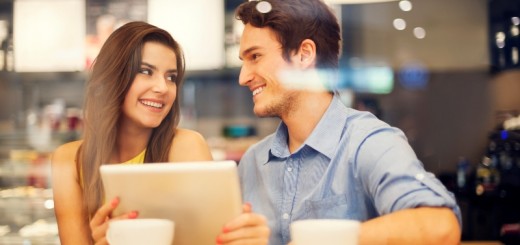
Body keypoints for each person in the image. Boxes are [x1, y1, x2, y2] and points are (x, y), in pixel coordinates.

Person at [219, 0, 462, 244]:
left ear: (304, 54)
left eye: (255, 56)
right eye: (244, 61)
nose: (243, 77)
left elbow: (441, 226)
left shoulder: (369, 143)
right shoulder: (252, 162)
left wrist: (329, 238)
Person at [51, 21, 217, 244]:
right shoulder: (69, 161)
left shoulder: (186, 147)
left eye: (171, 77)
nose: (162, 88)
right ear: (112, 77)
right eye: (145, 71)